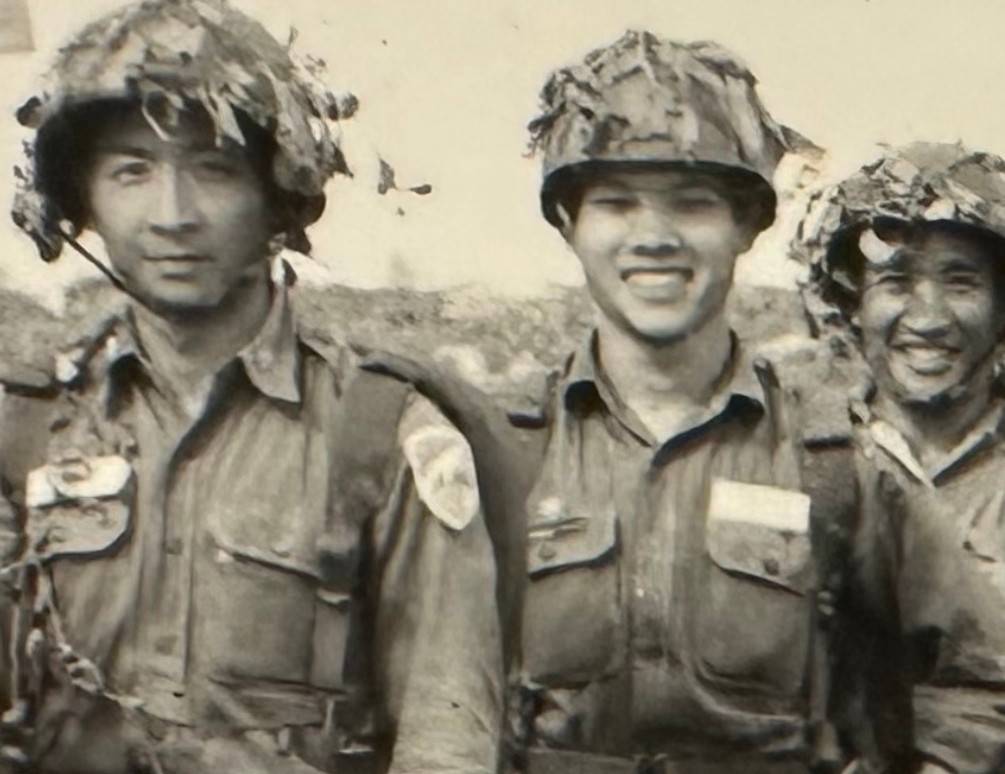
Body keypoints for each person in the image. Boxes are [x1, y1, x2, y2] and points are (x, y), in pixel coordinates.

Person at [0, 1, 502, 772]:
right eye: (132, 171)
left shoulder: (379, 434)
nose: (173, 215)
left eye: (214, 168)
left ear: (276, 191)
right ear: (83, 199)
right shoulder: (26, 428)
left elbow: (446, 735)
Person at [507, 29, 857, 774]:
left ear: (745, 226)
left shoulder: (832, 459)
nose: (654, 237)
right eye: (616, 203)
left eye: (693, 205)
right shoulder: (501, 445)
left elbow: (965, 678)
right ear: (569, 225)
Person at [797, 142, 1005, 774]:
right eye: (895, 280)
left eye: (961, 282)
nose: (929, 317)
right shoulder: (793, 457)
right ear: (853, 301)